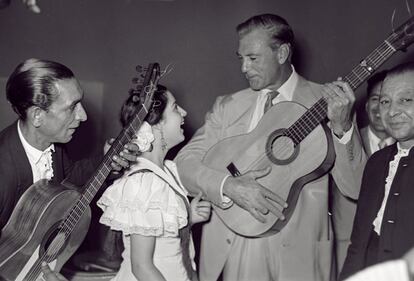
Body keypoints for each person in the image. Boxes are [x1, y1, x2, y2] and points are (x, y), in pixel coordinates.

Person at [175, 13, 366, 281]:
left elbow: (356, 186)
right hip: (235, 242)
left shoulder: (329, 102)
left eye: (252, 58)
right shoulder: (227, 106)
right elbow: (184, 164)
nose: (243, 68)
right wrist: (228, 186)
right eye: (240, 58)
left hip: (301, 252)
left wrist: (343, 128)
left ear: (282, 53)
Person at [0, 58, 138, 279]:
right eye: (72, 107)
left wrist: (107, 159)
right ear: (37, 115)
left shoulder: (54, 147)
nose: (82, 116)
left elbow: (70, 179)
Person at [97, 85, 212, 281]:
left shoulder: (166, 171)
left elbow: (161, 236)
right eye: (176, 107)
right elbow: (142, 267)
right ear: (157, 123)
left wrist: (188, 218)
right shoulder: (144, 183)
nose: (184, 112)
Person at [339, 62, 414, 279]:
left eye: (406, 100)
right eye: (385, 101)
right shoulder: (376, 162)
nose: (391, 111)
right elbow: (358, 243)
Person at [331, 70, 396, 273]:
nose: (379, 108)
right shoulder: (339, 142)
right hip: (345, 256)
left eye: (387, 100)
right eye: (376, 99)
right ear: (366, 105)